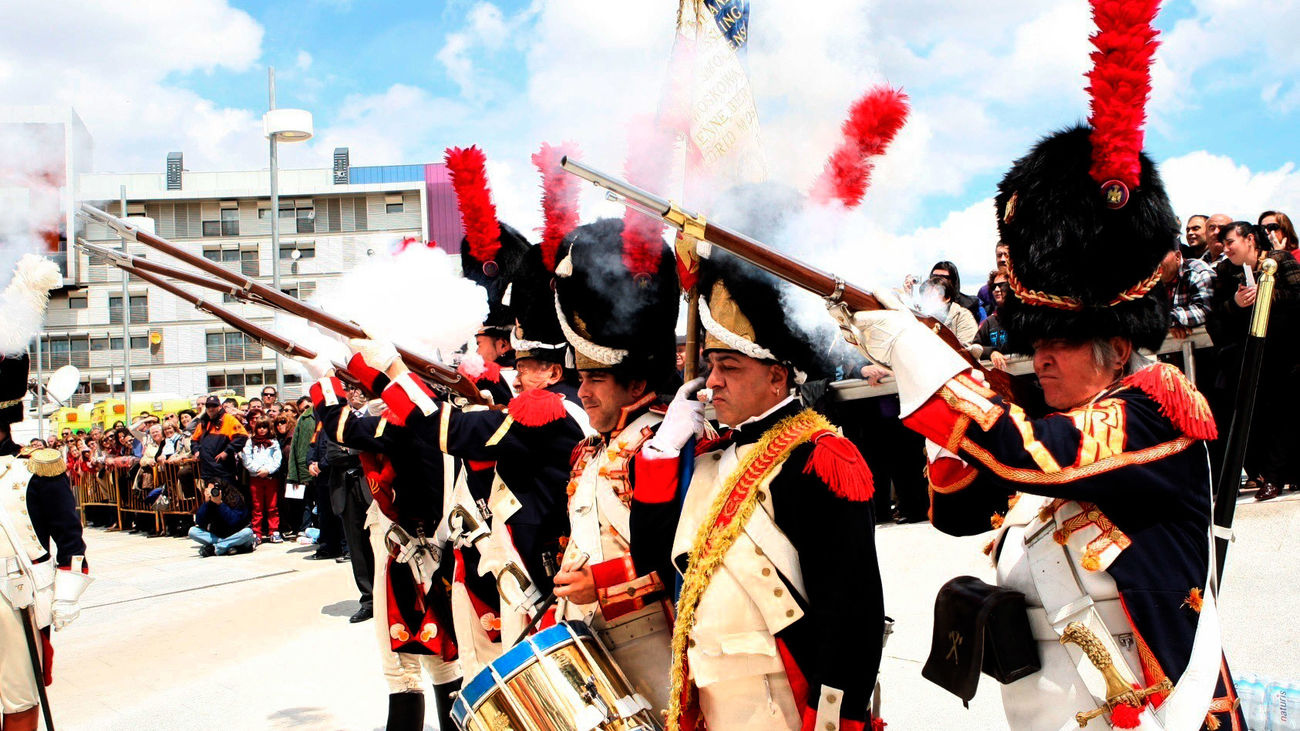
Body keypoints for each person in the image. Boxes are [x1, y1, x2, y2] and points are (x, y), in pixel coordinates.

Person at [842, 112, 1245, 728]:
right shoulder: (1037, 416)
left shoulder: (1155, 405)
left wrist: (914, 354)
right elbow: (960, 516)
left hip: (1149, 706)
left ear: (1112, 347)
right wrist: (946, 369)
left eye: (1061, 342)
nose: (1042, 357)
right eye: (1038, 342)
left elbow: (1034, 453)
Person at [629, 245, 885, 731]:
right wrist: (664, 451)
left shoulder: (819, 456)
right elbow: (653, 559)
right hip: (713, 701)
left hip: (785, 704)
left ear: (776, 376)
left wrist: (834, 718)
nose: (712, 383)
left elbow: (852, 609)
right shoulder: (709, 459)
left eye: (730, 367)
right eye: (710, 366)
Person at [549, 218, 680, 715]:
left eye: (597, 377)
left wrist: (602, 584)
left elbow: (682, 557)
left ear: (635, 379)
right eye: (581, 377)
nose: (582, 392)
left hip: (654, 633)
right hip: (586, 630)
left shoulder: (664, 440)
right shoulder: (588, 450)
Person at [0, 259, 92, 731]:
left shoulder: (39, 467)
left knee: (19, 698)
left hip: (15, 598)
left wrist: (66, 597)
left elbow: (71, 543)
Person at [1207, 221, 1300, 500]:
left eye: (1231, 242)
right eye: (1223, 244)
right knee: (1258, 418)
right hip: (1249, 357)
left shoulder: (1280, 260)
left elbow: (1298, 297)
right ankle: (1267, 474)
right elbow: (1214, 314)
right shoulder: (1224, 270)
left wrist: (1268, 295)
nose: (1226, 249)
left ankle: (1278, 476)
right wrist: (1235, 303)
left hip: (1289, 353)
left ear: (1250, 239)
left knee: (1288, 416)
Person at [191, 395, 248, 489]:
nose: (211, 409)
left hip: (224, 470)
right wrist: (196, 451)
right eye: (208, 406)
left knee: (229, 499)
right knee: (210, 499)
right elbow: (194, 440)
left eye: (214, 406)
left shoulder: (228, 419)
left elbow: (242, 436)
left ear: (220, 407)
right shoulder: (204, 422)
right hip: (207, 470)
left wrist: (227, 451)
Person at [241, 417, 283, 544]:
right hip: (256, 477)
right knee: (257, 506)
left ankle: (273, 530)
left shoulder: (273, 442)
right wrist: (258, 470)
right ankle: (257, 532)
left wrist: (268, 470)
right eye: (259, 427)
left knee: (272, 506)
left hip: (270, 477)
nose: (262, 430)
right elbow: (246, 458)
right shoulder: (250, 442)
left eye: (264, 427)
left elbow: (278, 459)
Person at [188, 479, 254, 556]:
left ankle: (214, 549)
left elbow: (234, 522)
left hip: (236, 534)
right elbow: (200, 522)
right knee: (192, 531)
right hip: (220, 536)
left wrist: (220, 504)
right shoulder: (210, 502)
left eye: (215, 489)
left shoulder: (235, 499)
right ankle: (229, 546)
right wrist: (206, 503)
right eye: (210, 490)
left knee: (248, 533)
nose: (213, 492)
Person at [1159, 245, 1215, 333]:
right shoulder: (1147, 281)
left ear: (1177, 256)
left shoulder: (1197, 271)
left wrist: (1171, 319)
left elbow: (1205, 310)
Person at [919, 275, 978, 346]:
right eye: (926, 296)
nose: (928, 300)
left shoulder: (962, 316)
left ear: (947, 298)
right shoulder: (921, 318)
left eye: (932, 296)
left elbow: (966, 349)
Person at [973, 267, 1011, 370]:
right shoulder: (990, 322)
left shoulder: (1027, 318)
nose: (997, 290)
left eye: (1002, 285)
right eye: (994, 286)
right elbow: (975, 348)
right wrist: (991, 352)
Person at [977, 242, 1011, 315]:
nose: (1002, 259)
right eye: (999, 255)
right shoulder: (984, 292)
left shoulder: (1022, 290)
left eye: (1006, 255)